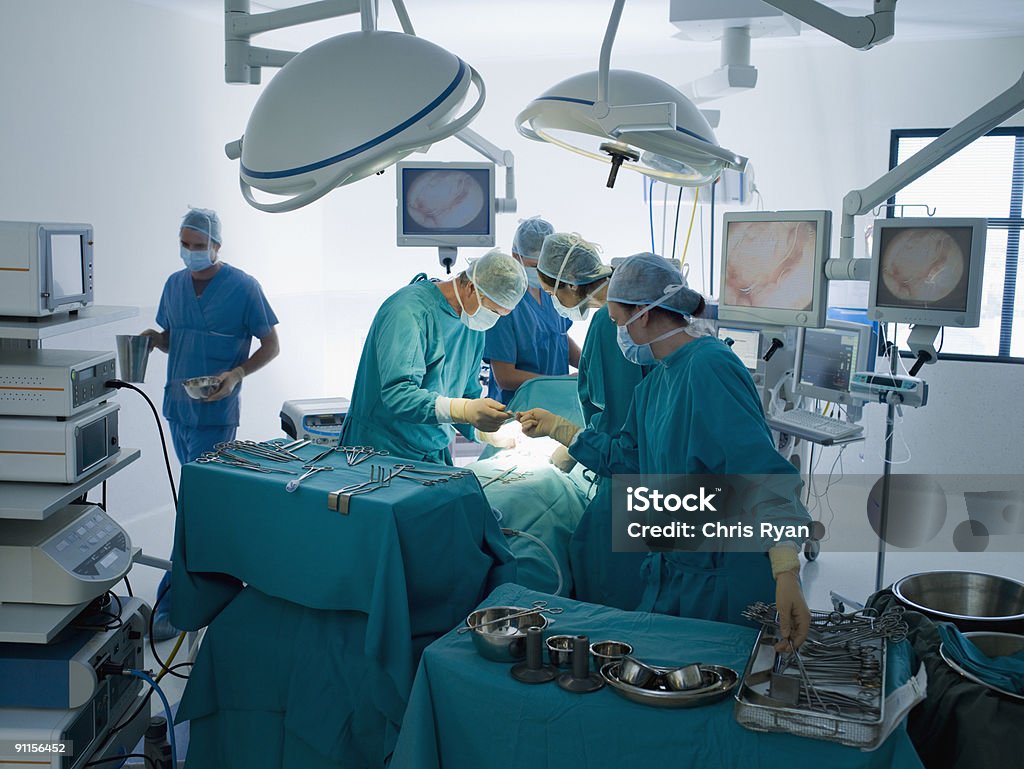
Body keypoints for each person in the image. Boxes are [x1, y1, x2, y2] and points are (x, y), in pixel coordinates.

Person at [519, 253, 811, 649]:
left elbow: (760, 471)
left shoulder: (709, 367)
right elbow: (632, 460)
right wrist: (562, 430)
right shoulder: (655, 383)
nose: (614, 325)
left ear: (643, 312)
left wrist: (787, 569)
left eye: (617, 316)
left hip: (721, 576)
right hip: (675, 569)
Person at [141, 207, 280, 641]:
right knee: (197, 508)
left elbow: (271, 344)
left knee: (197, 510)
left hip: (214, 414)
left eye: (198, 246)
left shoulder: (243, 287)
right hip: (178, 409)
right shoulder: (174, 285)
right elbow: (175, 338)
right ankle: (195, 596)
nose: (190, 252)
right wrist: (153, 340)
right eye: (185, 244)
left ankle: (181, 602)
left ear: (216, 246)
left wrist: (237, 373)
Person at [535, 234, 650, 610]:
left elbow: (614, 412)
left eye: (553, 292)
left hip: (629, 480)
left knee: (601, 571)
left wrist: (568, 438)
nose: (555, 302)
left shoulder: (608, 323)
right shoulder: (622, 318)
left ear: (570, 284)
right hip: (647, 473)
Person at [340, 248, 528, 465]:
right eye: (493, 311)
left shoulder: (472, 323)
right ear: (471, 288)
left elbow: (465, 393)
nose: (493, 319)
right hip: (380, 451)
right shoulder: (408, 312)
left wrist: (486, 432)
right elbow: (398, 394)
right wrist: (465, 410)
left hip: (430, 452)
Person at [484, 218, 582, 404]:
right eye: (533, 266)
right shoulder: (503, 301)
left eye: (545, 265)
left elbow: (559, 336)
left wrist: (588, 367)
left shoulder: (551, 293)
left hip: (557, 404)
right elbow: (504, 376)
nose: (540, 272)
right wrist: (560, 382)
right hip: (518, 410)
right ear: (515, 256)